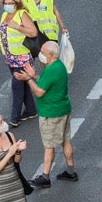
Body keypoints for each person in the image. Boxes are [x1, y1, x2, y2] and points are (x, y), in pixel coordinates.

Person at [21, 40, 77, 185]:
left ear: (50, 55)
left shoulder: (51, 69)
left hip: (51, 114)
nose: (41, 55)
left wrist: (28, 79)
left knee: (49, 145)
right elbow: (47, 83)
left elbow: (39, 92)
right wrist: (34, 76)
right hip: (63, 109)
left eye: (43, 52)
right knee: (66, 141)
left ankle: (45, 177)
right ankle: (71, 171)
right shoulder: (59, 66)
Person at [0, 0, 38, 125]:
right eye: (6, 3)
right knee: (23, 84)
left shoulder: (22, 14)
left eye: (11, 3)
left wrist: (17, 27)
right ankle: (31, 110)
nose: (8, 5)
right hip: (10, 57)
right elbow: (1, 35)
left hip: (22, 57)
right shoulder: (4, 15)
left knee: (17, 86)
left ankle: (14, 117)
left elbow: (33, 32)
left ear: (17, 3)